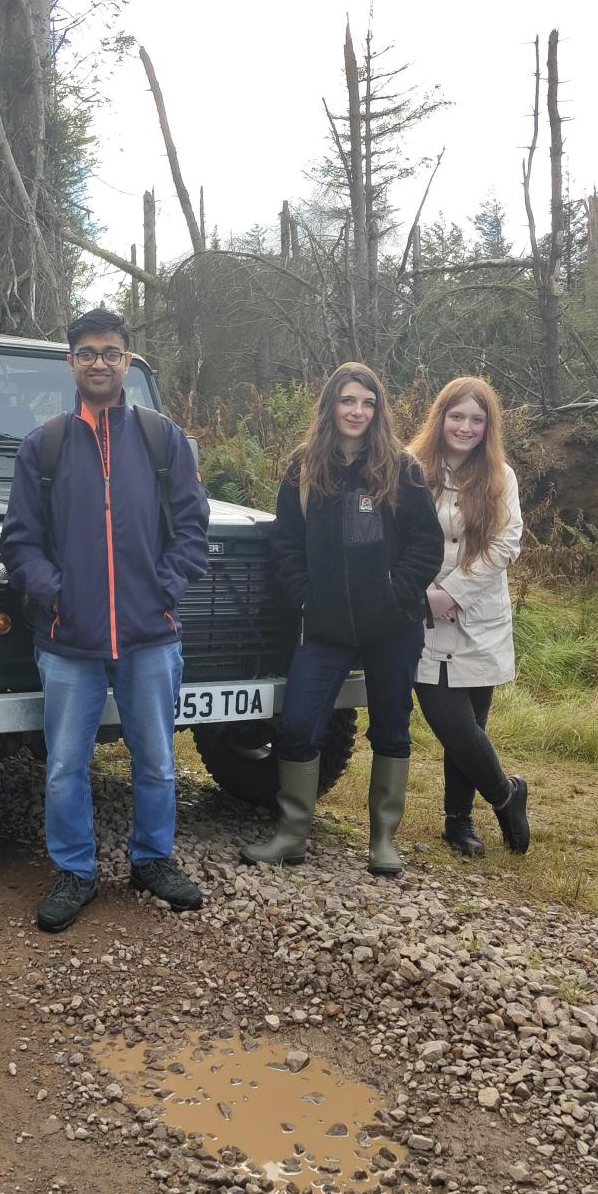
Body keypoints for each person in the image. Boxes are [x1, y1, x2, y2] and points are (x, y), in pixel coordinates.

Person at [1, 307, 210, 933]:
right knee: (65, 764)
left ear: (126, 362)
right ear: (70, 362)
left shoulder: (160, 438)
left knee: (157, 760)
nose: (99, 362)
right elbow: (20, 543)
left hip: (151, 637)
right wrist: (57, 596)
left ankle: (152, 860)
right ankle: (75, 870)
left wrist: (164, 591)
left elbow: (192, 529)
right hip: (69, 641)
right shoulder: (45, 445)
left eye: (111, 352)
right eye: (87, 352)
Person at [243, 363, 443, 878]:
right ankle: (291, 834)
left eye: (368, 403)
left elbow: (426, 543)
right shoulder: (303, 468)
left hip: (393, 626)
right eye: (348, 401)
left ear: (378, 411)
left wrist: (397, 595)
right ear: (331, 405)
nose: (358, 412)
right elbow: (285, 546)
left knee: (392, 728)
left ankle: (383, 840)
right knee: (298, 725)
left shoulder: (400, 468)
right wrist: (308, 600)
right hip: (325, 626)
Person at [408, 376, 530, 856]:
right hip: (417, 615)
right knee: (452, 724)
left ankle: (459, 821)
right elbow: (393, 535)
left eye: (476, 419)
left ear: (488, 426)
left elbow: (505, 544)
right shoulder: (411, 468)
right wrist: (422, 592)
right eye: (457, 416)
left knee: (471, 728)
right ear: (441, 417)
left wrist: (451, 593)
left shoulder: (501, 476)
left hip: (479, 616)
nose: (465, 426)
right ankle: (506, 795)